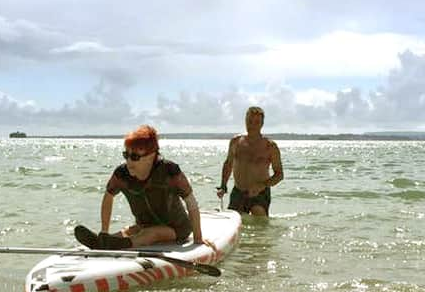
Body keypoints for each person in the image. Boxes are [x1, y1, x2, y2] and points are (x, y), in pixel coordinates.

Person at [75, 125, 206, 250]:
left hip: (177, 229)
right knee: (131, 230)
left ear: (152, 156)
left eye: (135, 157)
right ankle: (103, 241)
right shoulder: (121, 174)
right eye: (126, 155)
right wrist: (104, 231)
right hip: (143, 225)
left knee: (151, 233)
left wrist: (198, 239)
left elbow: (191, 203)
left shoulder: (170, 171)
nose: (129, 162)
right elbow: (108, 196)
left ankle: (120, 244)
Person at [216, 106, 284, 216]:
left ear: (262, 124)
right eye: (249, 121)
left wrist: (262, 185)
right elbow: (228, 164)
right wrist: (223, 186)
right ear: (245, 121)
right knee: (235, 222)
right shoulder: (236, 142)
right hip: (238, 191)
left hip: (260, 193)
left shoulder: (270, 146)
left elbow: (279, 175)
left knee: (259, 218)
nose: (252, 125)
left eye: (256, 122)